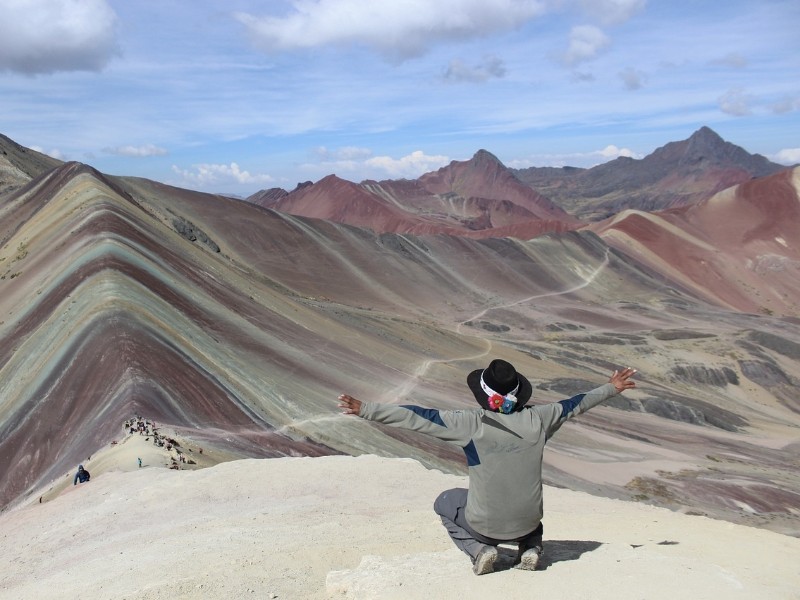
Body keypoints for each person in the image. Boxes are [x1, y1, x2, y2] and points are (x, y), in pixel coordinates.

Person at [338, 359, 636, 575]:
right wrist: (611, 388)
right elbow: (576, 404)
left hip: (486, 528)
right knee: (529, 509)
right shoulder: (542, 418)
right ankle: (531, 548)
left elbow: (418, 416)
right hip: (527, 523)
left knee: (445, 501)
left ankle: (480, 551)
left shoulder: (469, 423)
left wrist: (366, 409)